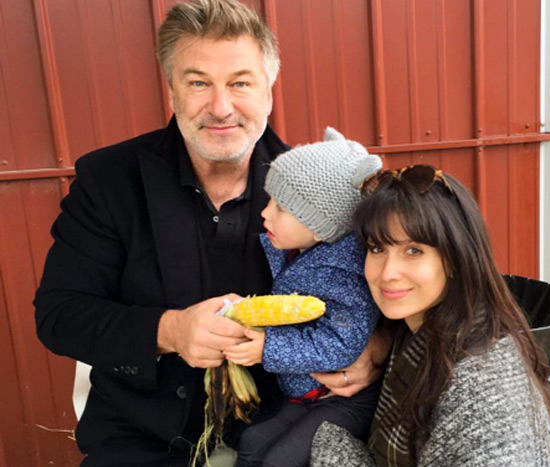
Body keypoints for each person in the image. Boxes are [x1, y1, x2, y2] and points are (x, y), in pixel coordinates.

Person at [33, 1, 384, 465]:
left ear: (269, 91)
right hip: (142, 438)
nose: (221, 108)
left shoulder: (321, 189)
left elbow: (396, 288)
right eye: (198, 82)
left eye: (240, 83)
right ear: (172, 88)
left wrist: (378, 345)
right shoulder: (109, 181)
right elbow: (60, 315)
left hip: (287, 425)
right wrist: (171, 330)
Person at [310, 165, 550, 466]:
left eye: (413, 251)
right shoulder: (423, 328)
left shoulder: (480, 389)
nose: (387, 273)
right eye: (377, 248)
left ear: (454, 259)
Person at [225, 127, 383, 466]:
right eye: (270, 200)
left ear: (322, 224)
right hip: (304, 394)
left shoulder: (344, 272)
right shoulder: (299, 249)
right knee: (251, 442)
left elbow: (343, 342)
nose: (265, 213)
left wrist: (269, 347)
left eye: (280, 207)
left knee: (281, 459)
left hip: (345, 398)